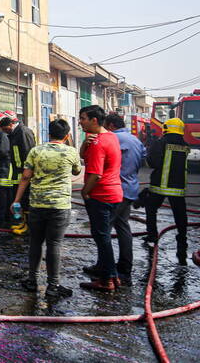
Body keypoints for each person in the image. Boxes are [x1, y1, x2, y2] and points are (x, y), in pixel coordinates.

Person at [14, 119, 81, 299]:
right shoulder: (71, 152)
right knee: (54, 244)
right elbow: (76, 171)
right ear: (67, 136)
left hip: (37, 204)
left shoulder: (36, 151)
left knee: (35, 242)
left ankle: (32, 281)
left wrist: (17, 200)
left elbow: (26, 177)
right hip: (59, 206)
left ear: (48, 133)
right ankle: (53, 286)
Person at [83, 113, 146, 284]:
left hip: (109, 191)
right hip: (129, 189)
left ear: (109, 125)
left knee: (102, 234)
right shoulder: (135, 140)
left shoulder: (107, 139)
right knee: (123, 228)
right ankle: (124, 268)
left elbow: (94, 167)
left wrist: (85, 191)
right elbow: (143, 161)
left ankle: (107, 272)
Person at [78, 105, 123, 292]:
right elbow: (83, 157)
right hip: (113, 194)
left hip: (101, 196)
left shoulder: (99, 143)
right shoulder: (109, 137)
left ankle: (107, 280)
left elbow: (96, 174)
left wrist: (85, 192)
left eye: (83, 118)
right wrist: (85, 143)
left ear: (94, 120)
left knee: (102, 238)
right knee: (102, 236)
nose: (80, 121)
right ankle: (110, 274)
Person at [144, 117, 190, 265]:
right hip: (178, 188)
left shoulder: (161, 142)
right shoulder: (185, 145)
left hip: (160, 185)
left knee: (151, 209)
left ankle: (152, 236)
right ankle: (182, 242)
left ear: (166, 128)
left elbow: (153, 162)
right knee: (180, 216)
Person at [2, 111, 36, 235]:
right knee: (21, 201)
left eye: (5, 129)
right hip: (18, 172)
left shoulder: (23, 132)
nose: (4, 132)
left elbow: (28, 154)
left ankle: (28, 227)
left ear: (11, 125)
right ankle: (23, 223)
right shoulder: (14, 133)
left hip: (25, 173)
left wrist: (27, 173)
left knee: (26, 200)